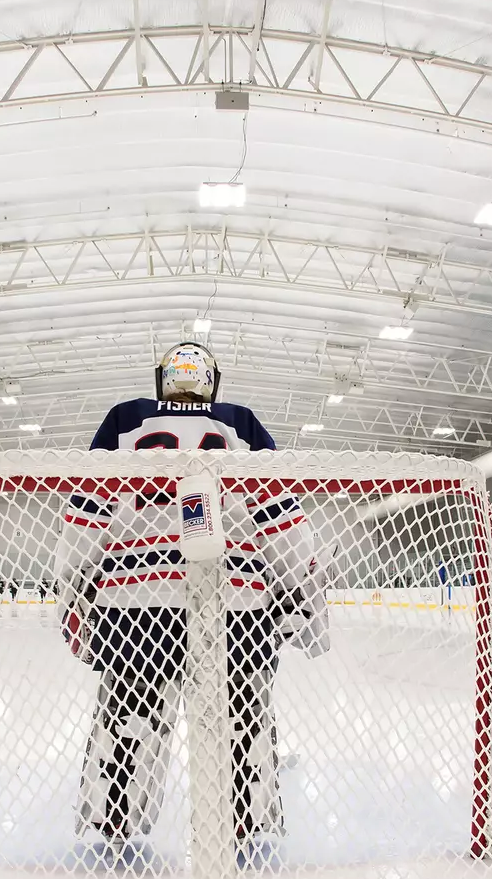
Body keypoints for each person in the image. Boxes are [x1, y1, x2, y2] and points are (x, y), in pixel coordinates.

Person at [57, 341, 324, 849]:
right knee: (240, 716)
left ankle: (116, 821)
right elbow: (281, 517)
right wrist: (295, 585)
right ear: (212, 380)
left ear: (162, 379)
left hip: (133, 603)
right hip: (235, 600)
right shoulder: (240, 423)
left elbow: (85, 513)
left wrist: (71, 586)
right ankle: (243, 823)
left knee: (130, 718)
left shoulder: (124, 419)